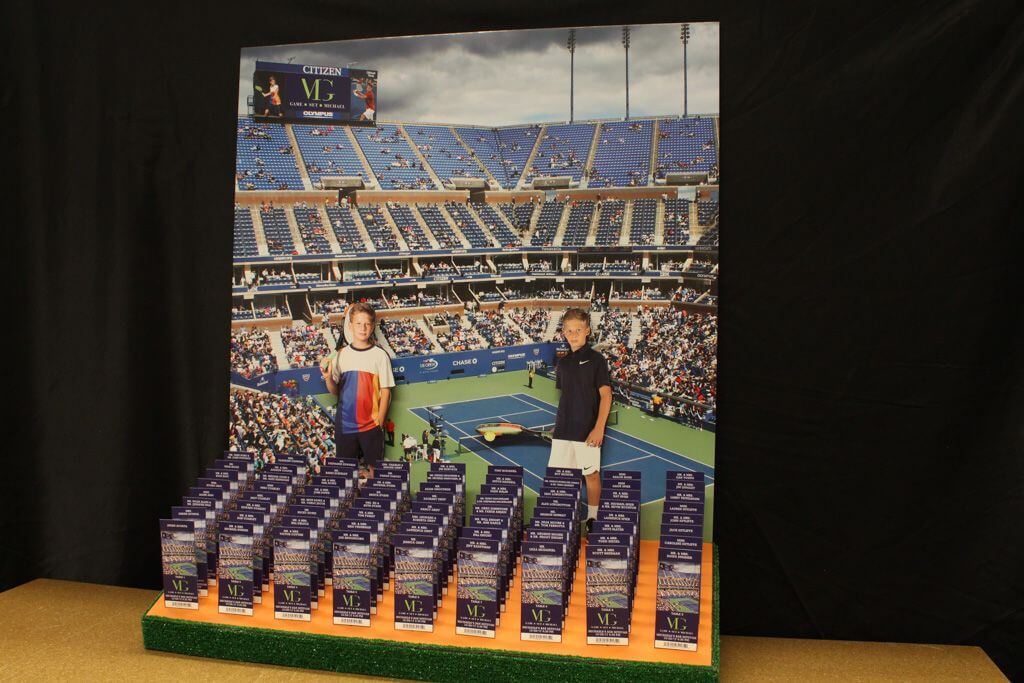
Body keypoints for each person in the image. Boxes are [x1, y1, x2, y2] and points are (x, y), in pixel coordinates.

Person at [548, 308, 612, 534]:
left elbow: (606, 395)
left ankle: (593, 519)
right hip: (563, 431)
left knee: (591, 476)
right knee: (562, 479)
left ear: (587, 331)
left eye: (578, 330)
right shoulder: (563, 364)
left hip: (587, 433)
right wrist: (559, 423)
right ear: (563, 333)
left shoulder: (597, 360)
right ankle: (565, 520)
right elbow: (567, 396)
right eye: (569, 330)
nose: (573, 334)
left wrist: (598, 428)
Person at [320, 303, 394, 482]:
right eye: (359, 323)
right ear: (350, 325)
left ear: (373, 326)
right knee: (345, 472)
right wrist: (328, 377)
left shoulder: (380, 355)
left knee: (376, 470)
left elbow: (386, 392)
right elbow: (336, 392)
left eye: (367, 324)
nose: (363, 328)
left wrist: (379, 422)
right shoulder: (342, 355)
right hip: (345, 424)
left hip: (371, 425)